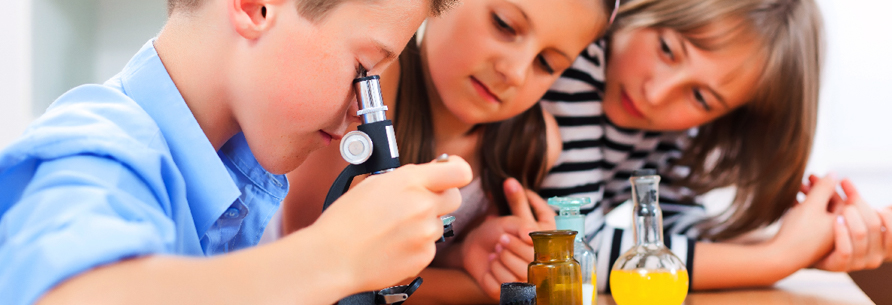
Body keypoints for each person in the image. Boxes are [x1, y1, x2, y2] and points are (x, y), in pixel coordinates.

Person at [0, 0, 474, 304]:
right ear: (254, 7)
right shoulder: (99, 150)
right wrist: (334, 255)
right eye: (363, 69)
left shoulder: (237, 179)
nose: (359, 113)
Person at [476, 0, 892, 293]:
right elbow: (579, 253)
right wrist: (776, 258)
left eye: (701, 98)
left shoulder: (677, 133)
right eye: (667, 49)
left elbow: (678, 239)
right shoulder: (578, 59)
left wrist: (817, 242)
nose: (656, 93)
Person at [280, 0, 619, 301]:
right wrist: (485, 286)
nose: (514, 72)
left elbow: (406, 271)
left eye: (546, 63)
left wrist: (482, 256)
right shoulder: (366, 94)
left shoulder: (535, 142)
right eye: (504, 24)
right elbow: (320, 274)